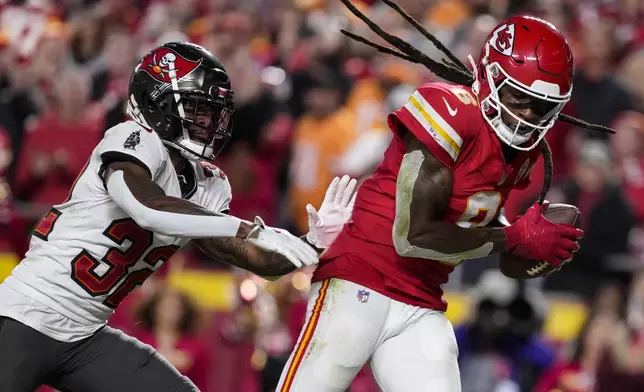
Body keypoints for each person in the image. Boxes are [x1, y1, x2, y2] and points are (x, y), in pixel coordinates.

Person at [276, 2, 614, 391]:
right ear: (489, 75)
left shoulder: (522, 153)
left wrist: (532, 245)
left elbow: (482, 228)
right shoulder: (450, 109)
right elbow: (413, 235)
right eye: (520, 98)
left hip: (422, 300)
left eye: (543, 108)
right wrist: (514, 237)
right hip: (360, 278)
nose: (529, 117)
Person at [0, 42, 357, 392]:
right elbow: (149, 208)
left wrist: (310, 245)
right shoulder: (133, 138)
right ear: (157, 103)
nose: (207, 121)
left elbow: (248, 256)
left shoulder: (209, 184)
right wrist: (245, 227)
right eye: (196, 108)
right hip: (25, 316)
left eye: (213, 111)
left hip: (85, 335)